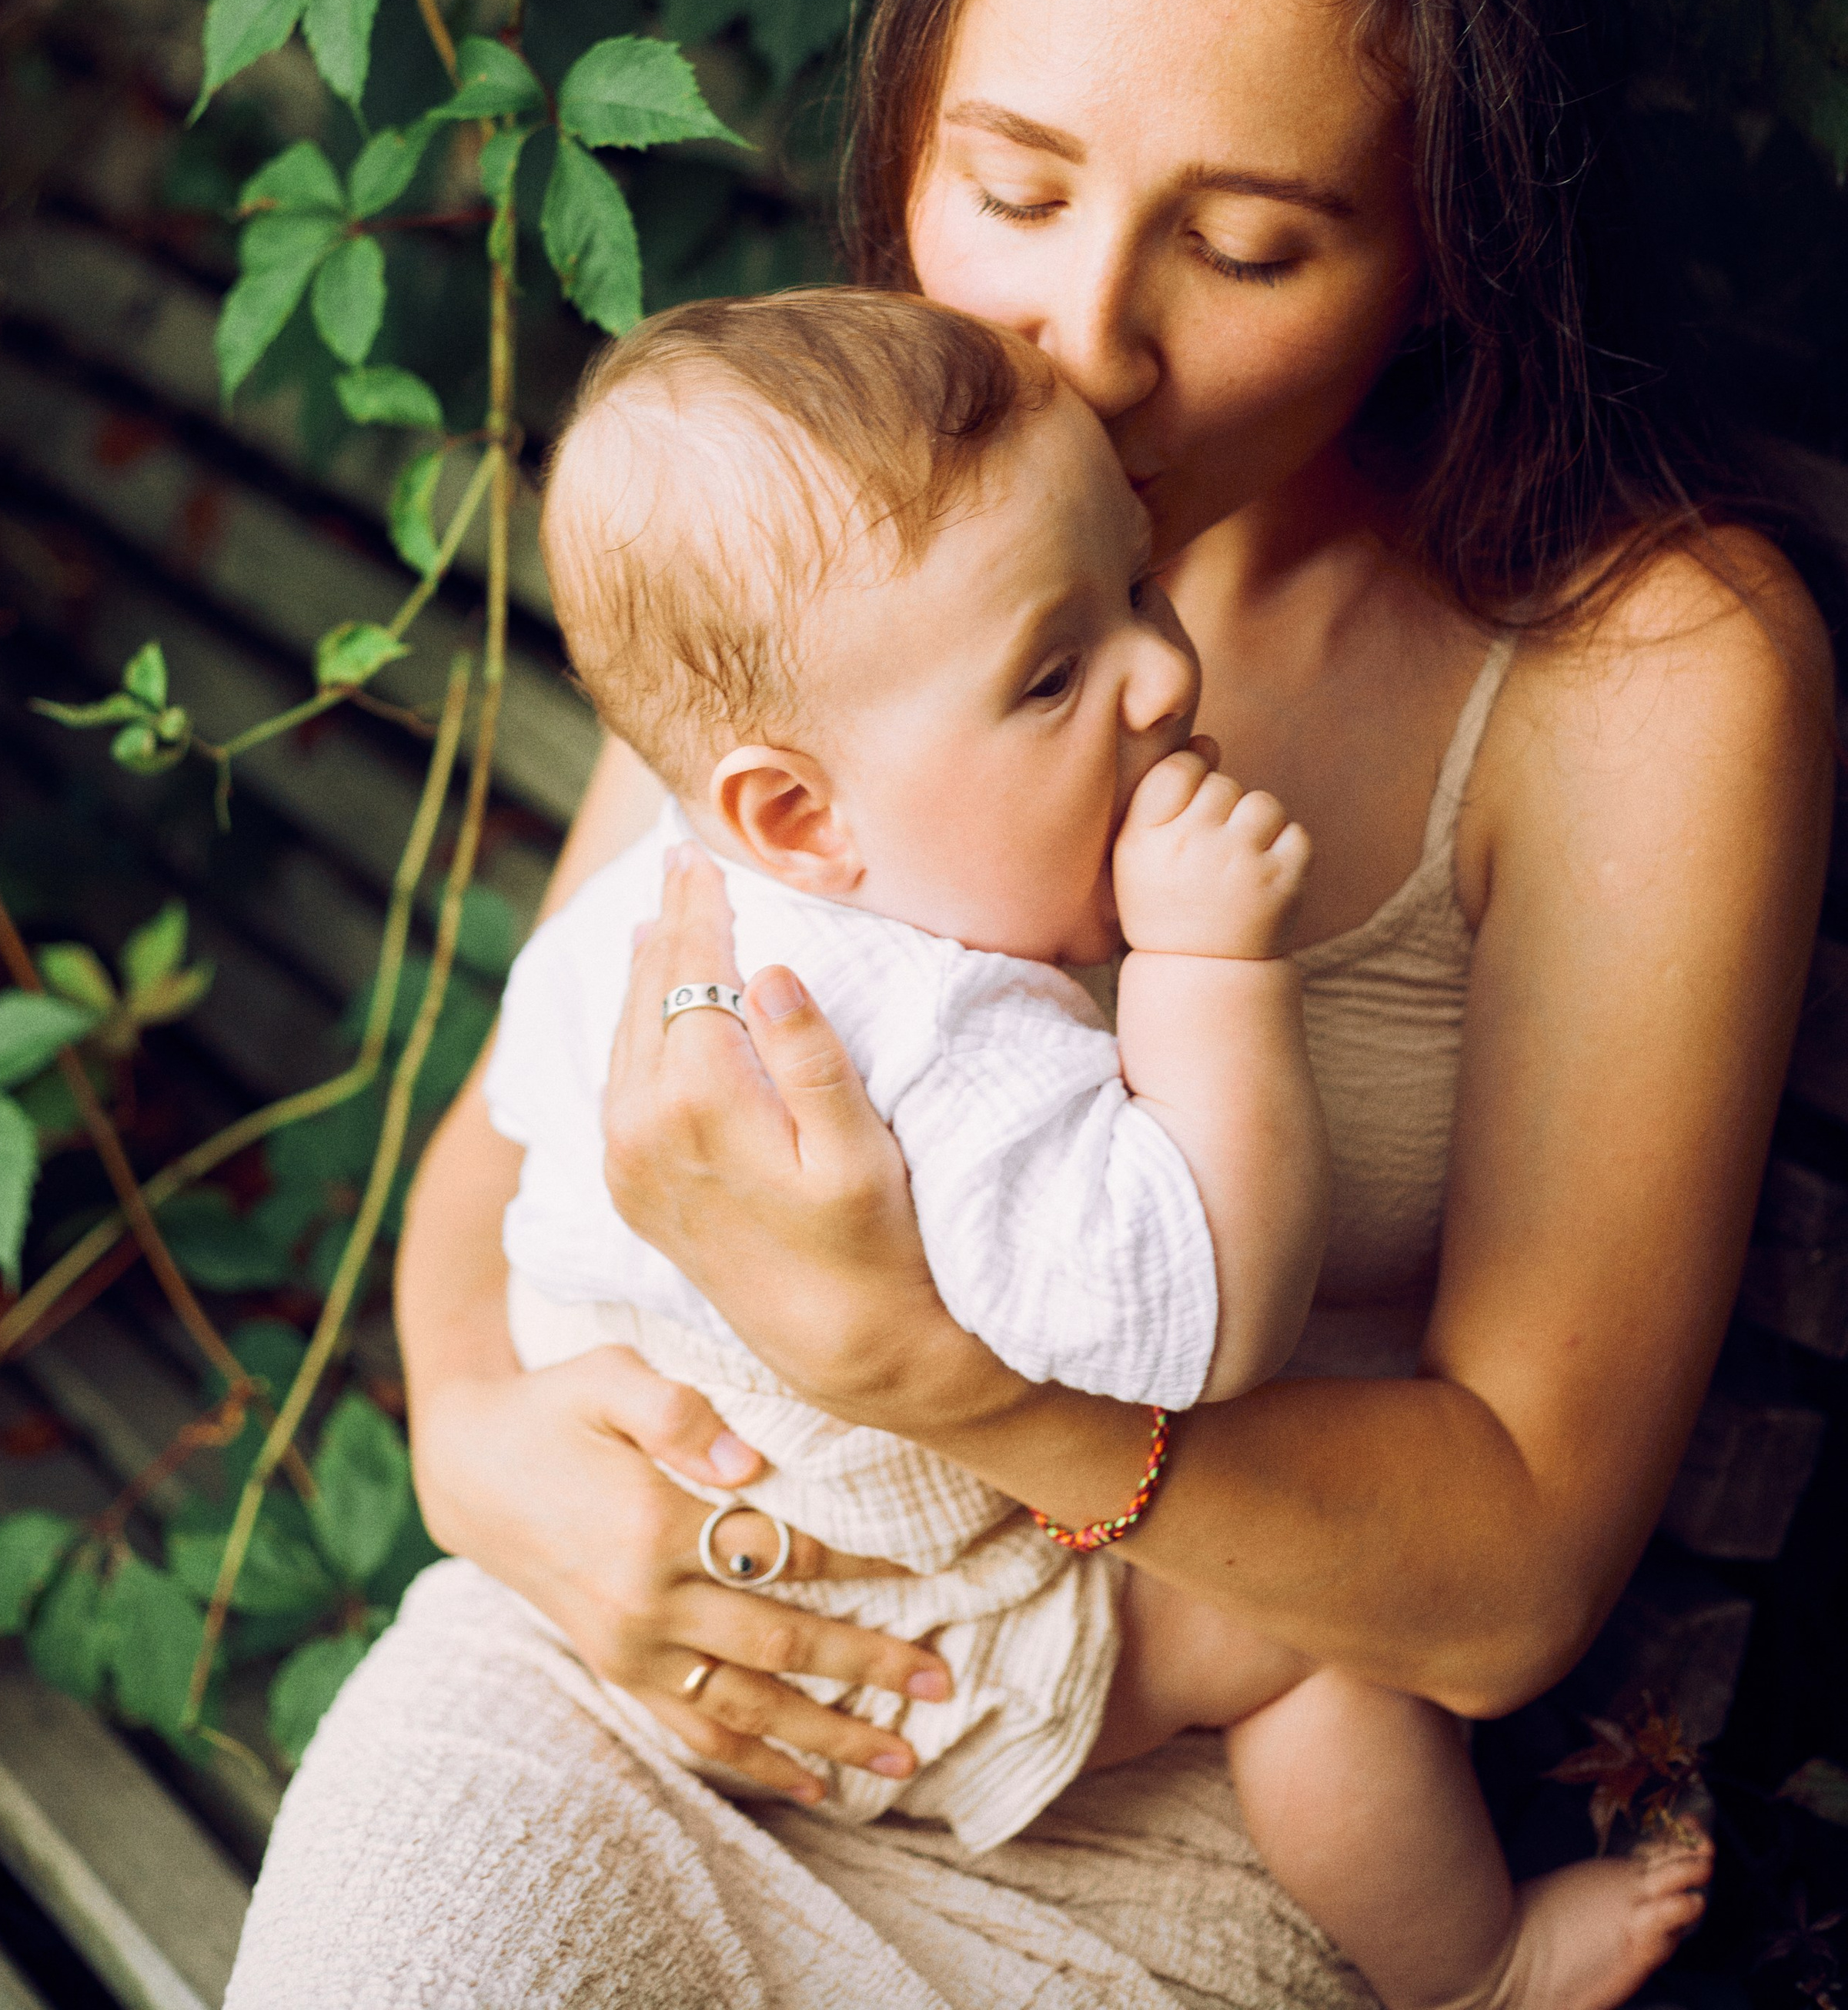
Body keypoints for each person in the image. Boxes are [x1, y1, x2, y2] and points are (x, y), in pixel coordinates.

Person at [226, 0, 1835, 2010]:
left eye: (1256, 246)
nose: (1090, 336)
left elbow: (1502, 1581)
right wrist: (487, 1457)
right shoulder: (831, 553)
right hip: (635, 1680)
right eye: (1012, 188)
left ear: (1452, 251)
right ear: (902, 149)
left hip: (1195, 1775)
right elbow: (509, 1146)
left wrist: (948, 1384)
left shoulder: (1637, 675)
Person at [493, 283, 1713, 2010]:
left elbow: (519, 1132)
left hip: (666, 1585)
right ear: (799, 813)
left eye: (1134, 585)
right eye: (1053, 670)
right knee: (1310, 1665)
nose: (1158, 666)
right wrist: (1210, 973)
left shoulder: (662, 903)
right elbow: (1196, 1324)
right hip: (906, 1647)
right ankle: (1480, 1971)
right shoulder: (947, 1038)